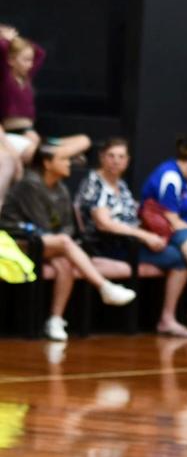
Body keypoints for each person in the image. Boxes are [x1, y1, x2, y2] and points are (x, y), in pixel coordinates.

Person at [0, 144, 136, 341]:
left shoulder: (61, 188)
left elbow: (68, 226)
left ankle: (55, 320)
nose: (68, 163)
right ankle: (104, 286)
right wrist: (61, 239)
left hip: (48, 244)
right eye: (63, 159)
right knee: (64, 243)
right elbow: (40, 225)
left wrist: (61, 240)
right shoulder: (29, 185)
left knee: (65, 261)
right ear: (47, 163)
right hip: (17, 242)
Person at [76, 137, 187, 338]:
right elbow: (104, 224)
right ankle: (167, 319)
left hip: (131, 242)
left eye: (121, 157)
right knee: (180, 259)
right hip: (109, 245)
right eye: (111, 156)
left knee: (180, 246)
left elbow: (132, 215)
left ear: (127, 161)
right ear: (102, 158)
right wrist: (145, 235)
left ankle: (169, 317)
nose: (116, 161)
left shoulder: (121, 185)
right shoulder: (94, 183)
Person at [140, 135, 187, 335]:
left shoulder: (186, 181)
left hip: (176, 236)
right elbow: (172, 222)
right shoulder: (170, 176)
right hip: (156, 235)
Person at [0, 24, 90, 164]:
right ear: (11, 60)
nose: (30, 64)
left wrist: (17, 38)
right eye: (25, 60)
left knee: (84, 140)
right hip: (15, 133)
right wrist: (7, 40)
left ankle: (60, 156)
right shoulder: (6, 78)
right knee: (33, 143)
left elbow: (40, 53)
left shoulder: (27, 78)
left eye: (30, 60)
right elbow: (2, 51)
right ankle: (63, 157)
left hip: (33, 134)